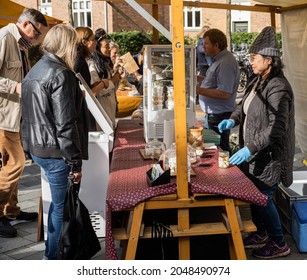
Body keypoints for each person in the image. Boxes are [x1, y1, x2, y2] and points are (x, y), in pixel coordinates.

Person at [218, 26, 294, 259]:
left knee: (264, 198)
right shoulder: (258, 80)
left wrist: (249, 148)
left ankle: (279, 243)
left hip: (269, 155)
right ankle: (261, 233)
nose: (250, 62)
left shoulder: (278, 87)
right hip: (253, 153)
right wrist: (232, 120)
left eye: (254, 58)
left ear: (269, 60)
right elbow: (243, 107)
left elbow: (277, 129)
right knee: (253, 193)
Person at [21, 24, 89, 260]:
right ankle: (52, 257)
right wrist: (75, 163)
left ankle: (53, 255)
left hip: (39, 147)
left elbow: (27, 115)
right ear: (67, 45)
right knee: (61, 207)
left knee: (58, 205)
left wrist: (28, 148)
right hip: (56, 151)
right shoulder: (61, 73)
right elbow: (66, 123)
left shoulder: (35, 69)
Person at [0, 8, 48, 238]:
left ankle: (11, 210)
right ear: (27, 24)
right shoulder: (4, 38)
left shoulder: (21, 44)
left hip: (15, 114)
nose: (37, 38)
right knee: (16, 164)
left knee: (11, 164)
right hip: (3, 116)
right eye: (37, 33)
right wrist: (16, 87)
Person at [196, 28, 240, 152]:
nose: (203, 47)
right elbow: (215, 81)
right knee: (213, 146)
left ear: (216, 45)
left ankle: (226, 171)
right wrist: (198, 79)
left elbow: (224, 93)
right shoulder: (219, 59)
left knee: (218, 149)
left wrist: (198, 90)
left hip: (218, 115)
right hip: (214, 114)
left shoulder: (225, 62)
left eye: (206, 43)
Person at [88, 28, 121, 129]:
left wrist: (118, 76)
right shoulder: (92, 64)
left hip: (110, 105)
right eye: (106, 47)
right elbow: (97, 90)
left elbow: (113, 88)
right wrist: (113, 80)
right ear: (98, 47)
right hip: (101, 107)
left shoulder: (104, 63)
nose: (109, 49)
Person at [75, 26, 106, 132]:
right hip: (84, 112)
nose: (95, 43)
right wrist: (103, 83)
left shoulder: (78, 59)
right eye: (92, 40)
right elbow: (87, 93)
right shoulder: (80, 62)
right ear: (84, 41)